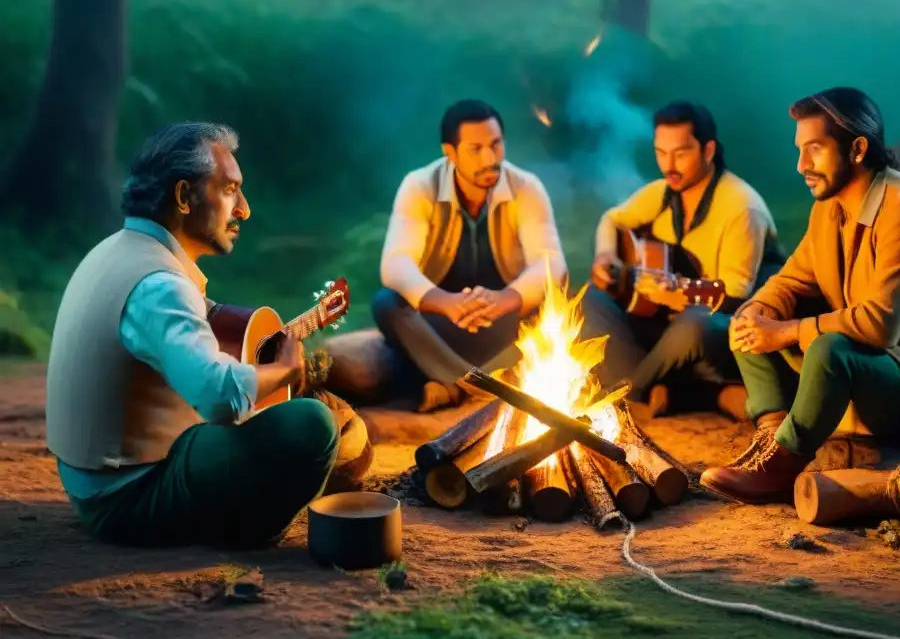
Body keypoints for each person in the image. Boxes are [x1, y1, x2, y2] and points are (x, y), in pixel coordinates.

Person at [46, 122, 372, 548]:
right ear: (184, 197)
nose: (245, 209)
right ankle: (246, 529)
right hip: (127, 496)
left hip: (93, 477)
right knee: (312, 424)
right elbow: (219, 395)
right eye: (230, 189)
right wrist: (286, 371)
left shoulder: (116, 251)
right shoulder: (161, 286)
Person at [700, 87, 900, 505]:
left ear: (857, 148)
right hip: (871, 378)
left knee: (828, 349)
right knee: (751, 320)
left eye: (814, 149)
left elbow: (879, 325)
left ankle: (783, 464)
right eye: (800, 150)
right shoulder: (829, 207)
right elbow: (794, 278)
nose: (802, 165)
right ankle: (771, 436)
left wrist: (785, 332)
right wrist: (761, 309)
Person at [582, 101, 784, 413]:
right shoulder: (661, 192)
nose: (668, 165)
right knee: (593, 299)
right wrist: (606, 255)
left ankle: (626, 391)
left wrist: (676, 292)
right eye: (660, 153)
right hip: (667, 331)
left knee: (694, 324)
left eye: (681, 153)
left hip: (731, 332)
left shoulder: (743, 208)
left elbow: (735, 295)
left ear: (708, 150)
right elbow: (613, 219)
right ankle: (683, 391)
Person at [373, 99, 567, 412]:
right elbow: (396, 264)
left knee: (559, 298)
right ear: (450, 152)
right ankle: (481, 386)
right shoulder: (420, 186)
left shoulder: (526, 187)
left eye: (496, 145)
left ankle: (450, 384)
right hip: (440, 324)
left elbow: (550, 261)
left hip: (504, 322)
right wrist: (445, 302)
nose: (490, 159)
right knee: (387, 302)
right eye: (475, 149)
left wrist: (505, 299)